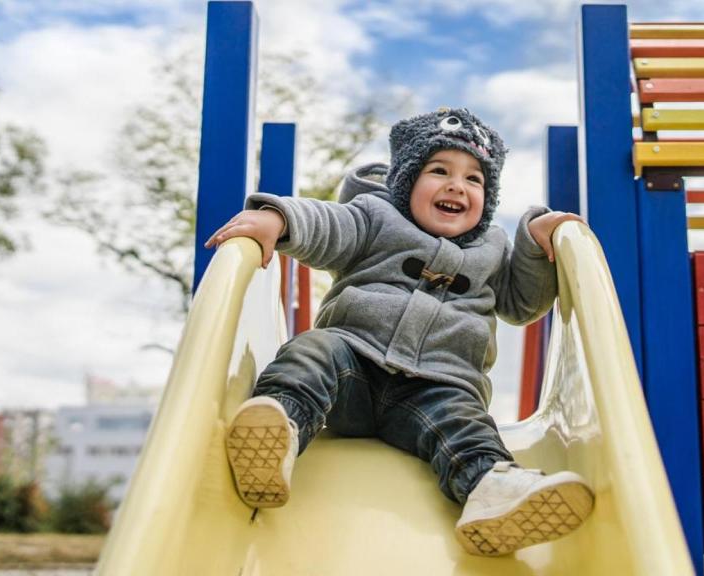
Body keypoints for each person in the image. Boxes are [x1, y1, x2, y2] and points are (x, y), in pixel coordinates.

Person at [204, 107, 593, 557]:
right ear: (407, 181)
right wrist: (278, 219)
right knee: (312, 350)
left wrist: (534, 238)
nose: (456, 186)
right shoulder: (374, 218)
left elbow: (522, 304)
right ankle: (282, 431)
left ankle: (491, 489)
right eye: (439, 170)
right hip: (350, 368)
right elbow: (327, 225)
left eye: (474, 180)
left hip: (437, 392)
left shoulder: (493, 249)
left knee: (466, 426)